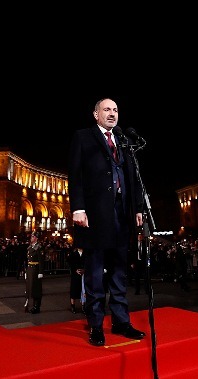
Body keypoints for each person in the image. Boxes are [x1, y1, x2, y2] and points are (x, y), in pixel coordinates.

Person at [68, 98, 146, 347]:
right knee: (95, 272)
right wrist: (78, 208)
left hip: (122, 213)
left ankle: (121, 322)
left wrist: (137, 208)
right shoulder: (83, 137)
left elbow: (133, 177)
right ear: (96, 114)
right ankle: (95, 325)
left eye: (115, 110)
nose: (112, 113)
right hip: (94, 215)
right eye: (107, 109)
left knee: (119, 272)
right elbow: (75, 174)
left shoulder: (124, 141)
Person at [24, 231, 44, 314]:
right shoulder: (30, 247)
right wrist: (26, 271)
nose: (31, 238)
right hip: (30, 270)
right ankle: (31, 305)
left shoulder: (39, 247)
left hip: (35, 270)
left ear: (36, 238)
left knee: (36, 288)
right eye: (31, 236)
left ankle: (36, 306)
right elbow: (27, 261)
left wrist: (40, 272)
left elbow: (41, 261)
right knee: (30, 288)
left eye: (32, 237)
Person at [67, 246, 86, 313]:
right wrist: (75, 270)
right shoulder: (73, 253)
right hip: (75, 274)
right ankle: (73, 306)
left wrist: (85, 270)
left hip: (84, 274)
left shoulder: (86, 253)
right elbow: (69, 263)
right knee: (74, 290)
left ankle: (83, 306)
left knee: (83, 290)